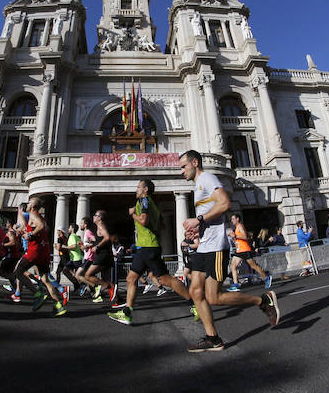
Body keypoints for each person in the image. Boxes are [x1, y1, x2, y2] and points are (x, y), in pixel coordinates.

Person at [179, 150, 280, 352]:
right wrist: (196, 232)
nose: (181, 171)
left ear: (195, 162)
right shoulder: (198, 186)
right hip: (204, 246)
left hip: (216, 248)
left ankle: (262, 300)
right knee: (195, 291)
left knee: (213, 297)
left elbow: (224, 203)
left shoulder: (207, 178)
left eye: (183, 166)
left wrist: (198, 220)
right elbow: (211, 217)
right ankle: (213, 338)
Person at [108, 179, 193, 325]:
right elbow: (163, 225)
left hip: (147, 247)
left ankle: (195, 303)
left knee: (166, 280)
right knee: (131, 279)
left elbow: (144, 221)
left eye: (138, 187)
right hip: (147, 246)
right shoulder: (153, 204)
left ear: (145, 189)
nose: (136, 189)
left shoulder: (144, 201)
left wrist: (133, 214)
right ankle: (127, 313)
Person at [11, 197, 66, 316]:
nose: (28, 204)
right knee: (46, 279)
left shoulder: (33, 214)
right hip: (43, 251)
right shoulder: (38, 216)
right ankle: (58, 306)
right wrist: (21, 230)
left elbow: (39, 226)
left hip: (34, 251)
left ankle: (37, 293)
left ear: (33, 206)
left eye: (30, 202)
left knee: (18, 271)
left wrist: (30, 234)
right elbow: (35, 228)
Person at [80, 210, 117, 303]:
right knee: (106, 279)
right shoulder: (98, 226)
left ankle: (108, 287)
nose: (93, 217)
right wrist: (91, 245)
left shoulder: (101, 225)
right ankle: (119, 299)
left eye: (95, 215)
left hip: (103, 255)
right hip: (105, 254)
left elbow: (107, 237)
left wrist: (97, 246)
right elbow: (101, 239)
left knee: (87, 275)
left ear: (100, 217)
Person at [228, 213, 271, 291]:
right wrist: (233, 237)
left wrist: (235, 236)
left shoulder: (240, 226)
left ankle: (266, 278)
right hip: (239, 250)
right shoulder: (237, 227)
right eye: (231, 219)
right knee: (233, 266)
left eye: (233, 219)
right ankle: (236, 285)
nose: (232, 221)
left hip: (244, 249)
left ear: (237, 219)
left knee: (254, 266)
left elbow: (245, 237)